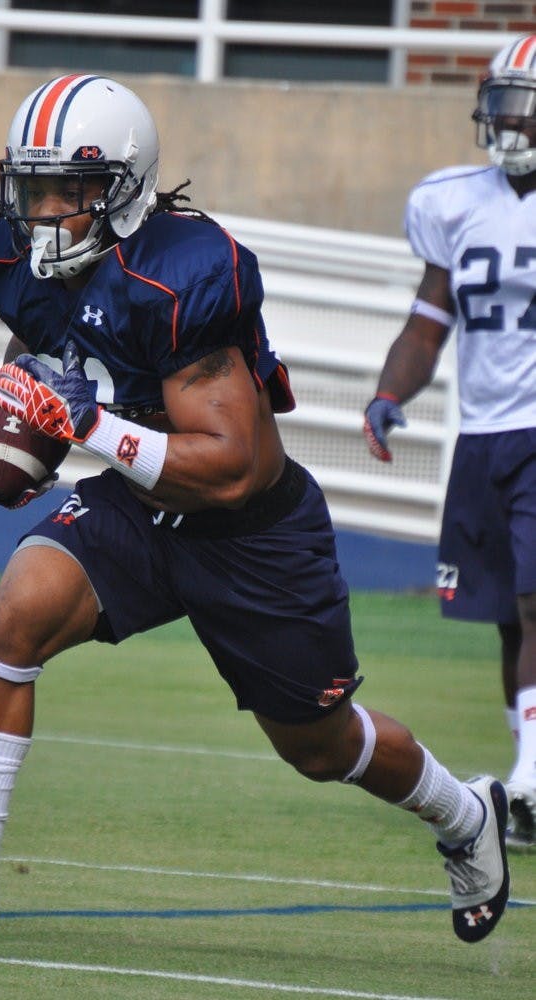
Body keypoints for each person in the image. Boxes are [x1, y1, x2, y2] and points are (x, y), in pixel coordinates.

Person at [0, 73, 509, 946]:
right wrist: (16, 429)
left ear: (125, 188)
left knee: (319, 747)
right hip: (139, 506)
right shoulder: (14, 257)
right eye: (34, 187)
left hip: (249, 528)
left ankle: (463, 811)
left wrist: (90, 423)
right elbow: (43, 340)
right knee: (10, 622)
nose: (46, 212)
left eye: (70, 190)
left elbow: (229, 469)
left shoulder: (183, 273)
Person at [363, 35, 536, 853]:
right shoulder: (453, 201)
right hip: (485, 432)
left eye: (524, 100)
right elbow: (433, 316)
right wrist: (391, 391)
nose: (508, 117)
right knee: (509, 615)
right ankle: (532, 773)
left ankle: (532, 775)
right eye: (502, 99)